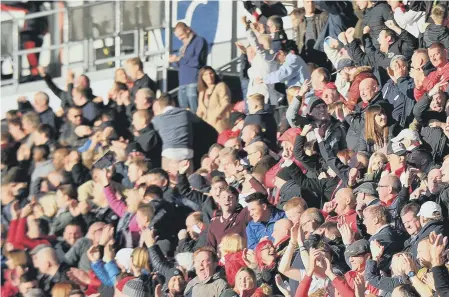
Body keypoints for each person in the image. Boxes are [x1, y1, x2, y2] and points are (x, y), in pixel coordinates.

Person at [152, 93, 196, 178]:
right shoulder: (186, 114)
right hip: (186, 153)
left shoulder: (158, 119)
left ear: (160, 106)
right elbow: (198, 121)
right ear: (173, 102)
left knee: (168, 181)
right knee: (189, 182)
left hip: (168, 153)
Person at [169, 22, 208, 113]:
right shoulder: (183, 47)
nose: (180, 38)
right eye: (178, 36)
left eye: (181, 35)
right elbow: (182, 65)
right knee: (184, 111)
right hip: (182, 83)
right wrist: (174, 61)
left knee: (195, 111)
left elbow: (197, 61)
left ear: (188, 30)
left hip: (193, 81)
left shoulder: (199, 41)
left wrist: (179, 59)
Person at [196, 66, 232, 133]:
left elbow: (225, 103)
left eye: (211, 73)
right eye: (205, 75)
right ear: (202, 77)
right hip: (206, 124)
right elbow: (199, 110)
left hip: (218, 122)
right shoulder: (202, 92)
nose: (209, 76)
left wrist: (216, 116)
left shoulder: (221, 86)